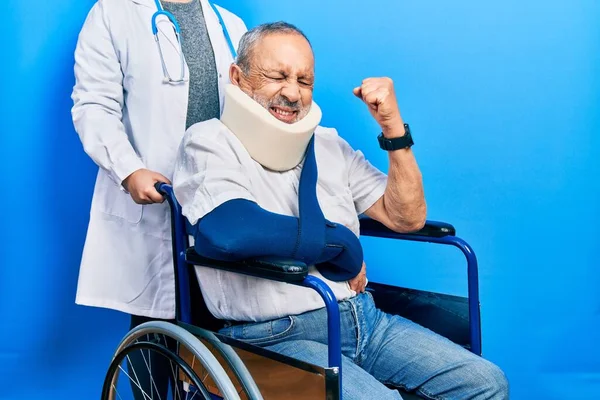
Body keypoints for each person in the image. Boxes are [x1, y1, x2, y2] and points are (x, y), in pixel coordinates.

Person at [173, 22, 509, 399]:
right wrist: (340, 244)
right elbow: (230, 230)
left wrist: (394, 131)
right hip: (275, 335)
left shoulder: (328, 143)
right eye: (277, 76)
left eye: (304, 81)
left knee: (485, 383)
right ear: (238, 77)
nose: (292, 93)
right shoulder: (209, 142)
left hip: (364, 319)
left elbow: (406, 218)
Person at [70, 0, 247, 397]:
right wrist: (129, 169)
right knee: (155, 342)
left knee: (220, 352)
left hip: (219, 208)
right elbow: (94, 105)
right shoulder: (113, 13)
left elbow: (251, 111)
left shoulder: (230, 25)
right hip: (157, 206)